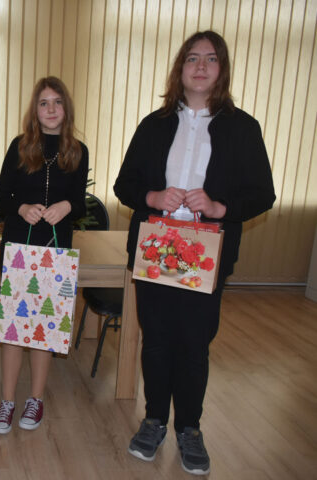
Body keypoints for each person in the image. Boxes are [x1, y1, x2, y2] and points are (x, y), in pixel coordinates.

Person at [114, 31, 275, 475]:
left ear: (222, 69)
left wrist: (221, 207)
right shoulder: (154, 125)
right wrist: (152, 197)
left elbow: (263, 193)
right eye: (192, 58)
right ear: (180, 69)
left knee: (193, 344)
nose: (201, 66)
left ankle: (189, 428)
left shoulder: (243, 128)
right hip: (155, 250)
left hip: (206, 254)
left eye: (211, 58)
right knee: (156, 340)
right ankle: (153, 421)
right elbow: (125, 184)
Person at [0, 77, 88, 434]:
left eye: (57, 102)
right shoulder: (19, 147)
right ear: (35, 109)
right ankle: (7, 401)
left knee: (44, 328)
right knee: (14, 330)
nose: (50, 109)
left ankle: (35, 398)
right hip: (19, 247)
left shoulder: (78, 151)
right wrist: (21, 208)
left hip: (56, 249)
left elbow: (79, 202)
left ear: (66, 109)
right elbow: (0, 196)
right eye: (44, 103)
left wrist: (67, 206)